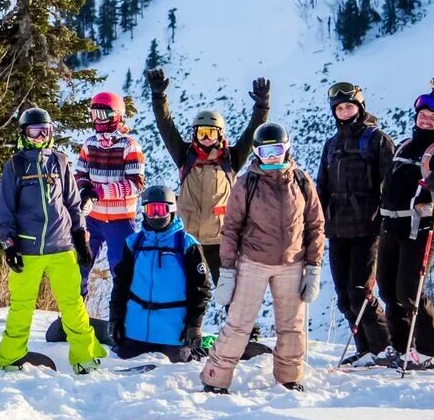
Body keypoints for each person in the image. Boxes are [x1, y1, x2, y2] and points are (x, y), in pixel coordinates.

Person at [200, 122, 325, 393]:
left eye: (277, 150)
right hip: (253, 263)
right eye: (266, 151)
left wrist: (313, 267)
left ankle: (289, 378)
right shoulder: (247, 183)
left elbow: (315, 225)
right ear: (256, 152)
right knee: (238, 325)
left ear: (287, 148)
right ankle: (215, 379)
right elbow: (231, 228)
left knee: (291, 326)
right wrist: (228, 271)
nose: (272, 157)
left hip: (292, 263)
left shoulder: (302, 181)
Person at [0, 107, 104, 373]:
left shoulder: (60, 161)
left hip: (62, 245)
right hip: (27, 249)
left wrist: (80, 238)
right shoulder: (16, 165)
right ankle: (10, 358)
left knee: (73, 305)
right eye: (34, 132)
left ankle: (85, 357)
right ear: (23, 134)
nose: (39, 137)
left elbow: (72, 202)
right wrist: (10, 246)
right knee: (21, 307)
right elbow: (5, 210)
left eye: (44, 131)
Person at [376, 80, 434, 369]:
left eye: (433, 117)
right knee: (388, 289)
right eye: (422, 116)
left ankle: (433, 350)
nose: (426, 120)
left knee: (409, 289)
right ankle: (403, 349)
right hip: (392, 225)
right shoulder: (404, 146)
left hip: (423, 227)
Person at [143, 68, 270, 282]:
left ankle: (235, 317)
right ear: (194, 135)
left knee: (229, 292)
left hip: (220, 241)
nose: (207, 138)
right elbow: (166, 127)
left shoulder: (231, 159)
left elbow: (251, 133)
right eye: (202, 133)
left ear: (220, 135)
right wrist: (159, 97)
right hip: (188, 239)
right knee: (187, 294)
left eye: (212, 133)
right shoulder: (185, 156)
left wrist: (261, 106)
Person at [315, 81, 395, 365]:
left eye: (349, 106)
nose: (345, 112)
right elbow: (321, 188)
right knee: (344, 296)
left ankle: (385, 348)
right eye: (339, 108)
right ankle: (365, 350)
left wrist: (387, 220)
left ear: (360, 107)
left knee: (361, 293)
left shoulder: (377, 140)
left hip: (368, 229)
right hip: (337, 230)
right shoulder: (331, 145)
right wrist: (315, 220)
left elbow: (393, 184)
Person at [109, 186, 212, 363]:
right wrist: (116, 318)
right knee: (124, 366)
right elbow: (121, 284)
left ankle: (207, 347)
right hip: (136, 329)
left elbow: (200, 290)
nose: (156, 216)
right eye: (151, 210)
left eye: (161, 209)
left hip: (172, 333)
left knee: (176, 367)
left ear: (171, 210)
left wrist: (194, 325)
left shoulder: (187, 245)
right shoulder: (134, 243)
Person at [73, 89, 147, 299]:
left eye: (104, 115)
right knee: (80, 266)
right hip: (92, 219)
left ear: (117, 115)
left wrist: (99, 192)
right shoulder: (90, 144)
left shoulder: (129, 145)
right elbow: (80, 173)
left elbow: (135, 184)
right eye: (94, 115)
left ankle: (123, 318)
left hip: (120, 220)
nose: (99, 120)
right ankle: (74, 314)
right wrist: (86, 189)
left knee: (122, 271)